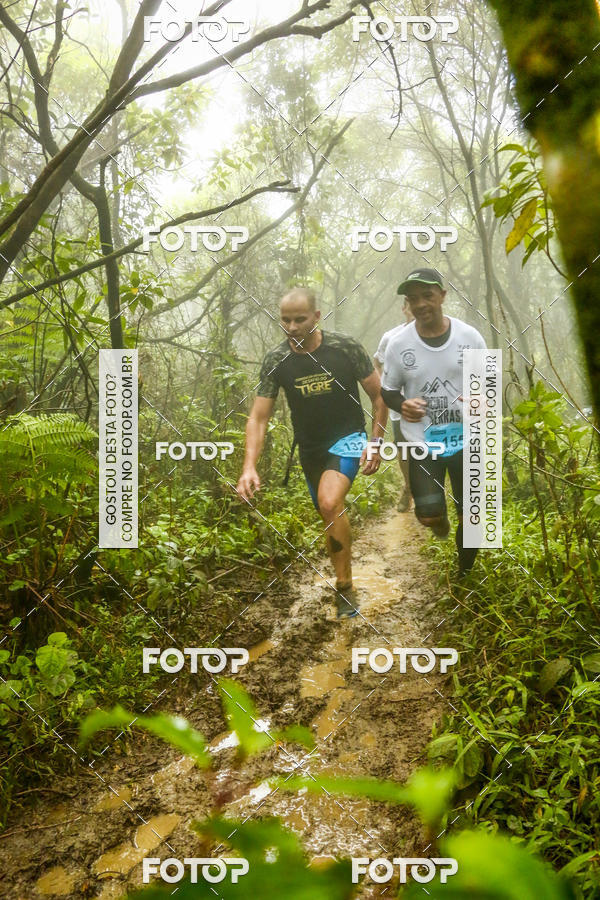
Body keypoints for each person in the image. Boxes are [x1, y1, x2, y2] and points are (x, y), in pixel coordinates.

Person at [237, 287, 387, 618]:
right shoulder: (277, 359)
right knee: (327, 512)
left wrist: (375, 442)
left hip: (348, 438)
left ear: (317, 317)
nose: (291, 327)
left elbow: (379, 397)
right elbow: (259, 417)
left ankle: (345, 588)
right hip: (310, 449)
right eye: (285, 320)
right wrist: (249, 466)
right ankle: (343, 576)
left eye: (300, 319)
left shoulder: (345, 348)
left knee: (330, 502)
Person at [380, 268, 487, 576]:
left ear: (442, 295)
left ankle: (464, 573)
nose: (420, 304)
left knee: (473, 517)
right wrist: (402, 404)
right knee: (427, 515)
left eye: (427, 295)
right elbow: (387, 391)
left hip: (468, 441)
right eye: (412, 298)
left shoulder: (470, 337)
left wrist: (480, 400)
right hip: (423, 443)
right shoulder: (399, 344)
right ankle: (439, 519)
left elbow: (488, 384)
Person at [374, 299, 415, 512]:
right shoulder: (391, 337)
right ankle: (408, 488)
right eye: (410, 303)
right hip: (400, 406)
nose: (415, 308)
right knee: (404, 450)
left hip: (431, 406)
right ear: (404, 308)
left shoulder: (435, 334)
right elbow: (377, 361)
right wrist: (384, 387)